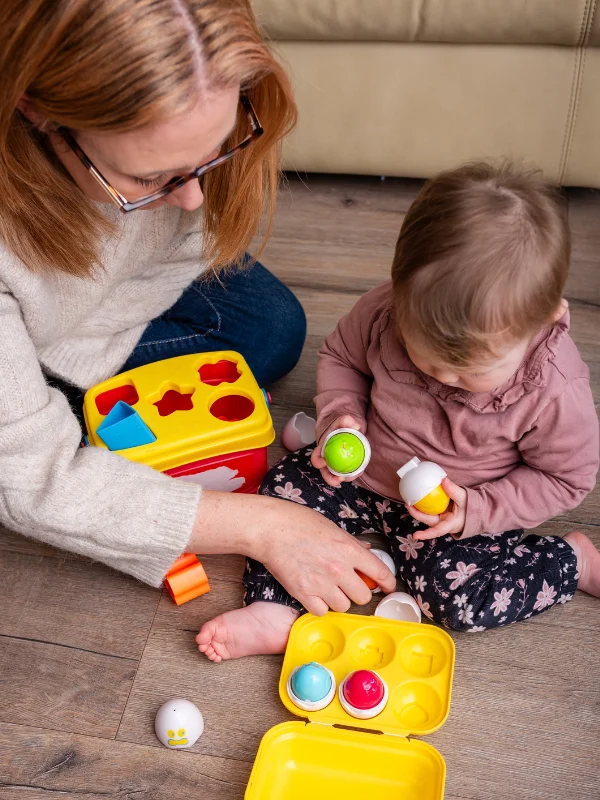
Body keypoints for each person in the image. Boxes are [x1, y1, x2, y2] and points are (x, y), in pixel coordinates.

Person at [0, 0, 395, 608]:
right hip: (31, 326)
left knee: (272, 327)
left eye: (209, 155)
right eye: (150, 178)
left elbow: (187, 237)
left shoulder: (186, 156)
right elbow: (31, 481)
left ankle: (75, 398)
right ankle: (56, 397)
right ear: (37, 111)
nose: (191, 198)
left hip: (105, 299)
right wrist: (261, 525)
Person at [198, 161, 600, 661]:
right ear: (398, 285)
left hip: (449, 514)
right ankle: (275, 610)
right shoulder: (384, 310)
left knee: (460, 601)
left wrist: (476, 510)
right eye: (422, 354)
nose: (442, 379)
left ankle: (569, 562)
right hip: (362, 472)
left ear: (548, 318)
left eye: (468, 371)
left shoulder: (554, 392)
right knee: (278, 495)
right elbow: (342, 356)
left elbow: (567, 478)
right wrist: (341, 419)